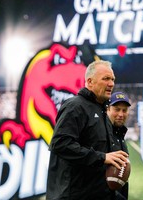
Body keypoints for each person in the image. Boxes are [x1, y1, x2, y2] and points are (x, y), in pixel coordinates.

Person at [46, 60, 129, 200]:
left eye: (113, 79)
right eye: (106, 79)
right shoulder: (75, 106)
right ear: (90, 82)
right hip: (75, 195)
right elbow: (60, 143)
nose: (111, 84)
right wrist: (102, 157)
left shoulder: (102, 111)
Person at [107, 92, 131, 200]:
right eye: (117, 109)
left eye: (124, 110)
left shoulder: (120, 133)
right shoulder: (101, 134)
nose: (121, 114)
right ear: (108, 109)